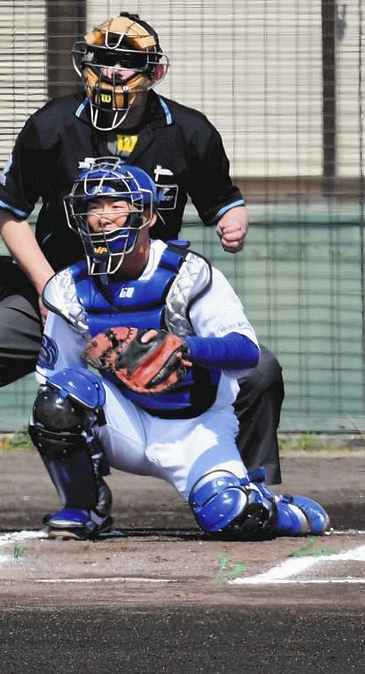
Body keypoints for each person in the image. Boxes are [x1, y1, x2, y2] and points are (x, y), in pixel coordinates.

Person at [0, 12, 285, 533]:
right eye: (104, 59)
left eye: (127, 61)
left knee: (259, 369)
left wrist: (233, 220)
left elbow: (223, 201)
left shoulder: (189, 132)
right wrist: (47, 285)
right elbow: (8, 213)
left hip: (150, 300)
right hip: (58, 290)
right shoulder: (53, 126)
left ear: (152, 72)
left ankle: (252, 494)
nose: (113, 71)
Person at [29, 161, 327, 539]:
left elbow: (246, 351)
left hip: (196, 425)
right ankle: (84, 507)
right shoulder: (68, 287)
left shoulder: (188, 273)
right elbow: (55, 379)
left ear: (148, 214)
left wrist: (182, 346)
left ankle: (279, 510)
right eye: (93, 207)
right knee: (57, 401)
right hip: (127, 425)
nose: (102, 218)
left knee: (233, 517)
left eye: (115, 205)